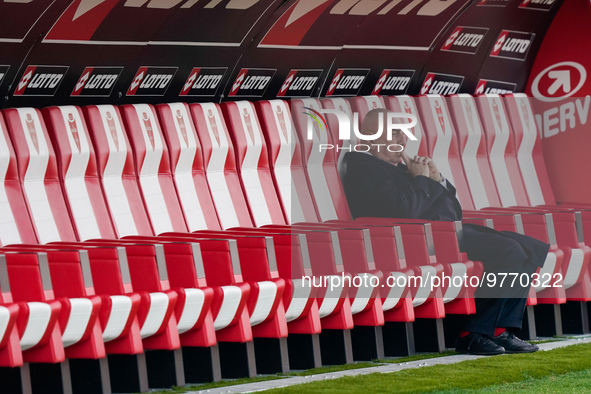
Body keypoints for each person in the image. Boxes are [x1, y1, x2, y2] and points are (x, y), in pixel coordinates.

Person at [343, 109, 550, 355]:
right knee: (509, 251)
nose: (402, 141)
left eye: (404, 135)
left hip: (443, 233)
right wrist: (423, 181)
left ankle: (498, 329)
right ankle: (471, 334)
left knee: (530, 249)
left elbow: (453, 209)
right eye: (394, 134)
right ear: (368, 138)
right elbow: (405, 211)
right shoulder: (363, 167)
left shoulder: (401, 168)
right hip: (408, 242)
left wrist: (436, 177)